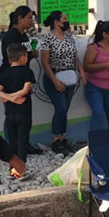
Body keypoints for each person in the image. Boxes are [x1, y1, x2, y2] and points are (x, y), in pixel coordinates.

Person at [39, 11, 85, 154]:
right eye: (64, 19)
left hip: (69, 76)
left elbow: (74, 56)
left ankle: (63, 137)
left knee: (65, 109)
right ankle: (56, 139)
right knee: (60, 107)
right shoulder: (48, 39)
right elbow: (45, 63)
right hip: (55, 75)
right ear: (57, 22)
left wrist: (81, 71)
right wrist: (55, 80)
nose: (67, 22)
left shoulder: (69, 38)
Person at [0, 5, 41, 154]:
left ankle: (23, 145)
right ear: (20, 18)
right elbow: (12, 57)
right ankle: (11, 147)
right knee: (11, 115)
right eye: (29, 18)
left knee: (24, 115)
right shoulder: (11, 36)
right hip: (11, 78)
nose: (31, 21)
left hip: (22, 76)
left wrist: (32, 54)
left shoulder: (24, 35)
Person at [0, 44, 36, 161]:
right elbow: (25, 90)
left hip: (9, 112)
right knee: (22, 139)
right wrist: (12, 97)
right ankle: (21, 166)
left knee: (11, 140)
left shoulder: (5, 73)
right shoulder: (27, 72)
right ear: (22, 58)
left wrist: (8, 97)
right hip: (24, 112)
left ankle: (12, 166)